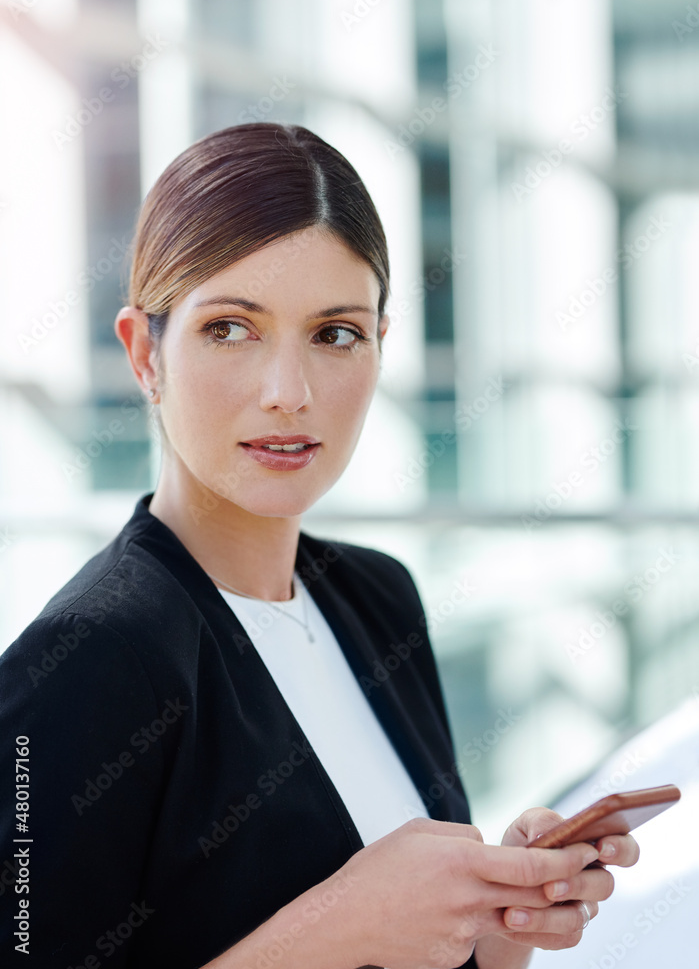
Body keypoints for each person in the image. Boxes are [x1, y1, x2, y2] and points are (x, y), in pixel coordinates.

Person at [0, 122, 638, 969]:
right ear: (144, 353)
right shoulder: (91, 659)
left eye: (335, 333)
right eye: (230, 328)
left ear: (379, 345)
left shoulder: (377, 597)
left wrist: (495, 908)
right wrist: (339, 926)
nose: (288, 393)